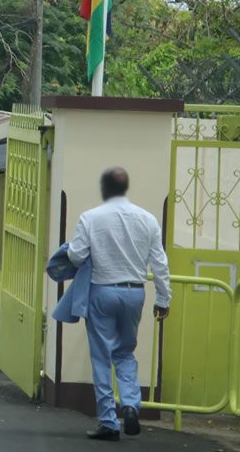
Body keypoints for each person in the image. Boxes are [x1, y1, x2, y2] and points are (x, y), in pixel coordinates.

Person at [66, 167, 172, 441]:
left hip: (102, 291)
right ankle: (130, 404)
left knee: (102, 356)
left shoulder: (90, 218)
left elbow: (76, 256)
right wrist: (163, 298)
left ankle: (108, 421)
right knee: (125, 352)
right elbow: (160, 263)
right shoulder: (147, 219)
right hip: (135, 293)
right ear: (125, 188)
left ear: (105, 189)